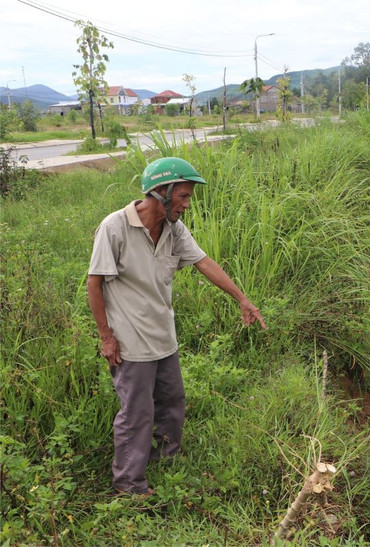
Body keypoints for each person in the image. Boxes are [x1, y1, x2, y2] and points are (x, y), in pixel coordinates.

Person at [87, 156, 267, 495]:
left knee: (172, 401)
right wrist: (106, 336)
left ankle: (167, 461)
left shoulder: (174, 228)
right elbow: (94, 283)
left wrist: (241, 298)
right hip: (130, 342)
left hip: (163, 335)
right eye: (183, 196)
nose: (187, 204)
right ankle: (128, 483)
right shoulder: (115, 228)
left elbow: (203, 262)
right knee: (137, 412)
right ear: (160, 192)